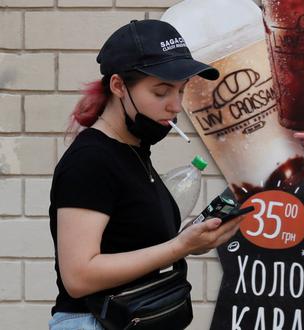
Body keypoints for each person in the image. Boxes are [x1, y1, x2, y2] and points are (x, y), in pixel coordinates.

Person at [48, 19, 240, 330]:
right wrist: (179, 247)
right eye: (161, 91)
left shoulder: (133, 152)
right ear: (118, 86)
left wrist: (194, 240)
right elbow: (79, 277)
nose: (175, 106)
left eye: (181, 90)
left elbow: (131, 248)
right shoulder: (91, 160)